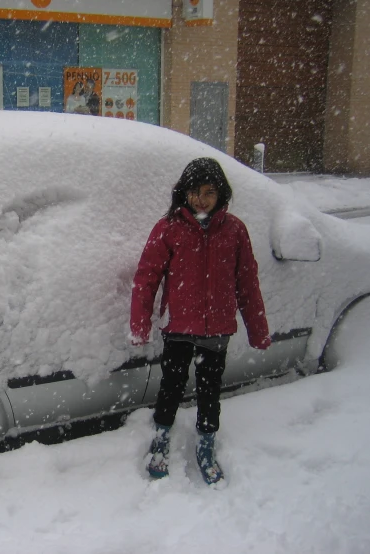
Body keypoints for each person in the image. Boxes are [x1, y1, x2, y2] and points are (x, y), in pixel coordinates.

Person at [129, 157, 270, 484]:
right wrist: (140, 324)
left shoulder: (234, 230)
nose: (202, 199)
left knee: (210, 390)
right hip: (178, 327)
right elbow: (146, 278)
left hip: (217, 329)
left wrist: (257, 329)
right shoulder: (169, 228)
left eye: (209, 192)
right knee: (171, 386)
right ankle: (161, 438)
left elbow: (247, 282)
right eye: (195, 192)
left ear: (221, 193)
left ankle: (206, 443)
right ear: (184, 193)